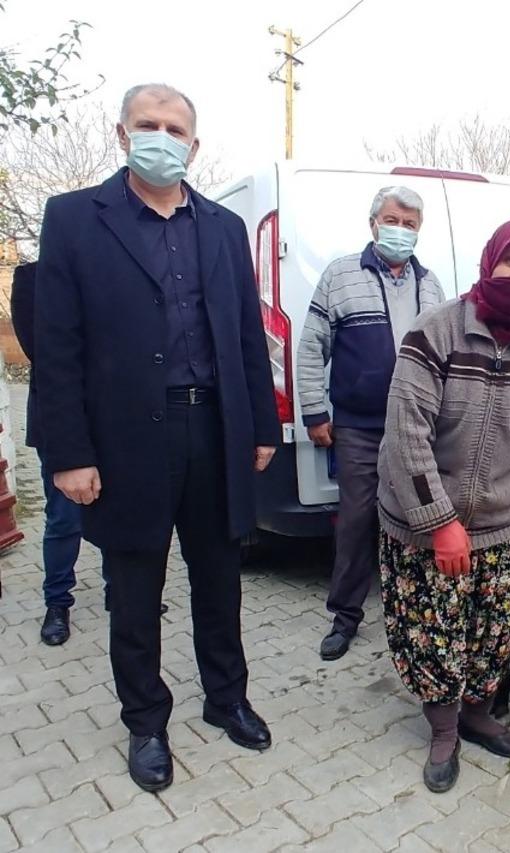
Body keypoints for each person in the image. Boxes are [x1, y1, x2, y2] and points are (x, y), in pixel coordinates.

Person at [35, 83, 281, 792]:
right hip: (123, 441)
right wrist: (70, 453)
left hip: (215, 426)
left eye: (176, 128)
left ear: (194, 146)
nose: (162, 137)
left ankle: (226, 697)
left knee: (220, 576)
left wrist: (261, 423)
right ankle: (145, 719)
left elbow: (244, 333)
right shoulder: (77, 218)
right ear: (121, 134)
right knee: (135, 587)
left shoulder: (223, 228)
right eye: (148, 124)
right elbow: (58, 347)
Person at [376, 219, 510, 793]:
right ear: (489, 261)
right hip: (422, 524)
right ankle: (443, 728)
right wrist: (439, 523)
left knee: (491, 631)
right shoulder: (436, 332)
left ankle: (479, 714)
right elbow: (405, 434)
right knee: (432, 628)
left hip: (503, 523)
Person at [297, 186, 445, 661]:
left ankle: (422, 610)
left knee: (422, 517)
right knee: (357, 521)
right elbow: (311, 347)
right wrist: (315, 413)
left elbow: (447, 356)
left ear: (419, 230)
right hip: (358, 428)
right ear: (373, 222)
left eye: (409, 223)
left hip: (418, 428)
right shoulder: (341, 276)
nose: (399, 229)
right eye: (391, 219)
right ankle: (345, 617)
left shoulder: (432, 285)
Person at [11, 261, 83, 645]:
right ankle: (58, 602)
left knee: (120, 508)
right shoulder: (32, 277)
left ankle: (116, 590)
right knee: (63, 516)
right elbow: (40, 349)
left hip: (116, 417)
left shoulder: (108, 271)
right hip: (59, 416)